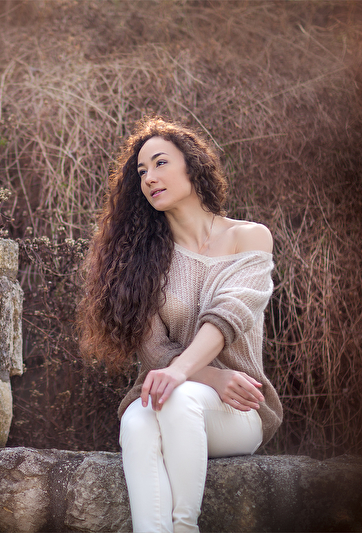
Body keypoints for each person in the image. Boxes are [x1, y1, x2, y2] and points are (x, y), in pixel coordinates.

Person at [77, 117, 282, 532]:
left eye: (160, 163)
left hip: (238, 409)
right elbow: (155, 352)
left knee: (178, 397)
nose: (149, 178)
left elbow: (229, 314)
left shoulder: (250, 237)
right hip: (170, 397)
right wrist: (210, 375)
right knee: (135, 421)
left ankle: (185, 526)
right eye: (141, 172)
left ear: (192, 165)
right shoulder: (141, 261)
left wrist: (187, 373)